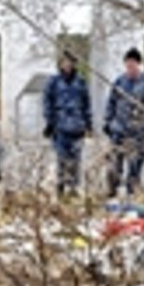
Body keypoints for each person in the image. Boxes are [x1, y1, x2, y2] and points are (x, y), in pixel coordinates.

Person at [104, 47, 144, 197]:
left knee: (135, 167)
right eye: (127, 64)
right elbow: (111, 103)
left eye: (132, 64)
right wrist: (108, 122)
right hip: (119, 131)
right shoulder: (119, 82)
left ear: (138, 64)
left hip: (139, 132)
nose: (130, 67)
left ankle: (132, 194)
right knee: (114, 165)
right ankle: (112, 192)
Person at [43, 51, 92, 197]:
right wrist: (49, 122)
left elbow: (86, 104)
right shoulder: (53, 82)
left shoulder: (81, 82)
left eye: (70, 62)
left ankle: (74, 188)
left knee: (76, 160)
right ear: (61, 63)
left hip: (77, 127)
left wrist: (89, 124)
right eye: (65, 62)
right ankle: (61, 187)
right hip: (60, 127)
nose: (68, 64)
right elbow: (47, 103)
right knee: (61, 159)